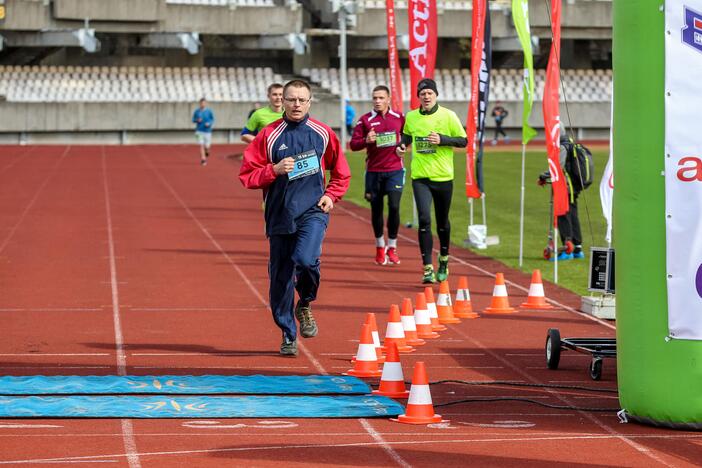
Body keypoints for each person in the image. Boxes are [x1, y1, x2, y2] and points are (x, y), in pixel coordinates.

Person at [239, 79, 351, 356]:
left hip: (313, 211)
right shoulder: (269, 135)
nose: (296, 104)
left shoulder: (323, 134)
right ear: (283, 102)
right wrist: (273, 170)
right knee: (280, 278)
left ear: (310, 102)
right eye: (291, 99)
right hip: (279, 215)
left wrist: (331, 195)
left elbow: (341, 173)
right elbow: (246, 176)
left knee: (305, 260)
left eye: (302, 100)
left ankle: (306, 303)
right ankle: (288, 333)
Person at [396, 78, 467, 283]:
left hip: (443, 177)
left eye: (429, 93)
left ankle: (443, 258)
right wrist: (401, 147)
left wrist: (443, 140)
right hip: (420, 177)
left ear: (435, 95)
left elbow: (463, 140)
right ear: (418, 97)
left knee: (442, 222)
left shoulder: (448, 116)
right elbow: (406, 137)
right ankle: (427, 267)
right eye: (422, 94)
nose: (426, 97)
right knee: (425, 220)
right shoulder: (411, 117)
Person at [350, 85, 405, 265]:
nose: (378, 101)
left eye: (381, 98)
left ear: (388, 99)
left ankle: (393, 247)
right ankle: (380, 246)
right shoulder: (365, 120)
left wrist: (403, 147)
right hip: (373, 172)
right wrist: (366, 140)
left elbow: (407, 138)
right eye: (375, 98)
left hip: (395, 170)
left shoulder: (399, 118)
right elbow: (353, 144)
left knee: (395, 207)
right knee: (377, 210)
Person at [538, 135, 585, 260]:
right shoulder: (572, 144)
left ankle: (567, 248)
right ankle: (577, 249)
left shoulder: (563, 147)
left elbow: (557, 168)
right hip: (573, 187)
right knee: (573, 214)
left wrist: (543, 176)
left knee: (563, 214)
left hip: (564, 187)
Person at [192, 97, 214, 165]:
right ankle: (203, 159)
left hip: (207, 131)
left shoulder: (209, 111)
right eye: (201, 103)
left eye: (204, 103)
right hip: (199, 131)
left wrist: (209, 123)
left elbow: (212, 119)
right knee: (201, 145)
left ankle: (207, 151)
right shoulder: (197, 111)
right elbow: (193, 119)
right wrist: (197, 120)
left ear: (206, 103)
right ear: (199, 103)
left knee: (207, 146)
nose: (202, 104)